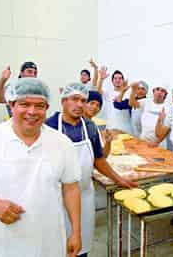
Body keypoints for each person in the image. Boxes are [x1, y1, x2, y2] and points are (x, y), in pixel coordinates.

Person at [0, 78, 82, 257]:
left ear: (47, 108)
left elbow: (71, 188)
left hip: (48, 242)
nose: (32, 112)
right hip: (2, 242)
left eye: (39, 106)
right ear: (11, 105)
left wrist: (76, 232)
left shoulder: (62, 143)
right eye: (24, 104)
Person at [46, 83, 137, 257]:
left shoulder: (90, 127)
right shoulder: (48, 128)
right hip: (55, 198)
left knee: (82, 244)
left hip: (84, 195)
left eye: (83, 100)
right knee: (57, 246)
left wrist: (119, 179)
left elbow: (98, 159)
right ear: (63, 101)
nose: (80, 104)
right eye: (75, 99)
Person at [127, 82, 171, 147]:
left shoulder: (168, 108)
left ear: (165, 94)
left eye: (162, 91)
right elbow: (132, 103)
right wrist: (133, 90)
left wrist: (156, 143)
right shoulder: (146, 102)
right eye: (157, 89)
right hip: (143, 141)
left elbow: (167, 129)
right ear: (154, 91)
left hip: (159, 144)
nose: (159, 92)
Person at [96, 67, 133, 134]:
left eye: (120, 78)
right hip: (111, 128)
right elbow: (98, 90)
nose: (117, 80)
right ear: (112, 81)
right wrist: (101, 79)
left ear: (123, 80)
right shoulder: (109, 93)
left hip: (126, 129)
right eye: (115, 78)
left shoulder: (128, 94)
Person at [83, 90, 112, 159]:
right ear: (84, 103)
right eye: (92, 103)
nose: (95, 107)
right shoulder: (78, 125)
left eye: (98, 105)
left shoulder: (93, 127)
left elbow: (103, 156)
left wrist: (108, 142)